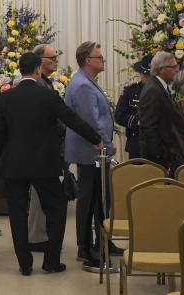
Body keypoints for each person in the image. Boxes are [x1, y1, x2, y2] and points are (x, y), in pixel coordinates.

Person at [0, 52, 103, 276]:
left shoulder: (5, 98)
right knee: (56, 209)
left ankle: (24, 264)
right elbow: (71, 119)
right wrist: (95, 139)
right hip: (44, 164)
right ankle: (51, 261)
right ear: (37, 71)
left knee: (16, 214)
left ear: (20, 71)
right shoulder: (48, 96)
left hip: (14, 166)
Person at [64, 41, 119, 265]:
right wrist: (106, 143)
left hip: (94, 152)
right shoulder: (83, 85)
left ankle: (102, 241)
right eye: (100, 57)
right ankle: (85, 247)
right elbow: (91, 123)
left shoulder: (86, 81)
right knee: (90, 199)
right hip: (92, 152)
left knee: (99, 199)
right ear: (88, 61)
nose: (103, 60)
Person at [26, 44, 66, 253]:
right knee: (40, 195)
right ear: (40, 62)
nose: (56, 60)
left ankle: (38, 234)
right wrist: (63, 130)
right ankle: (36, 236)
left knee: (41, 195)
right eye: (53, 57)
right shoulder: (39, 85)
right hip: (42, 148)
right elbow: (50, 115)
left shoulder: (46, 83)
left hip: (47, 146)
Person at [138, 51, 179, 170]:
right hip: (157, 158)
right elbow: (149, 127)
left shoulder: (160, 87)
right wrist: (158, 155)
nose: (177, 70)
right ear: (161, 69)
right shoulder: (153, 90)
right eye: (173, 67)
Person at [115, 57, 149, 160]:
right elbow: (119, 115)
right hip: (136, 144)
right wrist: (139, 122)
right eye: (145, 74)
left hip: (160, 146)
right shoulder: (131, 91)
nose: (146, 77)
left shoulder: (163, 92)